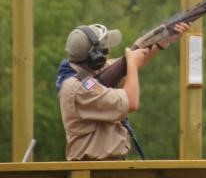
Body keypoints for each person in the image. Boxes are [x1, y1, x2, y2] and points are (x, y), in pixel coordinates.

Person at [56, 22, 190, 161]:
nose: (108, 53)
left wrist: (161, 41)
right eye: (105, 50)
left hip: (106, 166)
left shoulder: (85, 73)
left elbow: (126, 64)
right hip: (92, 168)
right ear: (96, 57)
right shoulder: (79, 86)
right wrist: (132, 64)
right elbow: (131, 102)